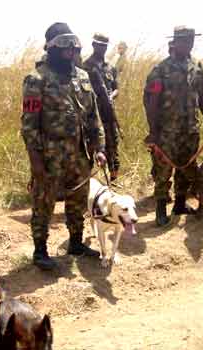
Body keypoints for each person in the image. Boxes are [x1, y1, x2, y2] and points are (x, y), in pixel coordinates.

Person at [21, 23, 107, 270]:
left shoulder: (82, 76)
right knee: (43, 203)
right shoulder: (36, 80)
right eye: (64, 45)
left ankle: (76, 243)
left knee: (78, 200)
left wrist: (99, 147)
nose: (70, 50)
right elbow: (29, 125)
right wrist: (35, 161)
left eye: (73, 45)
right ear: (52, 47)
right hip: (50, 156)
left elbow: (93, 117)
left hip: (80, 155)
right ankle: (40, 251)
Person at [144, 26, 203, 227]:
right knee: (163, 170)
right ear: (175, 42)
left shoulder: (197, 67)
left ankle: (180, 204)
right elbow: (150, 102)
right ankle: (160, 210)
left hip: (190, 129)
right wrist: (153, 131)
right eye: (183, 40)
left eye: (190, 40)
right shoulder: (161, 70)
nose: (188, 43)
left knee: (186, 167)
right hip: (167, 132)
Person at [83, 33, 121, 181]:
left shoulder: (110, 67)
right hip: (92, 115)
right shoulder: (86, 67)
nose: (102, 48)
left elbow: (116, 88)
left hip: (109, 113)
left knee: (113, 146)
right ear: (93, 45)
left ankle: (113, 179)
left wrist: (110, 97)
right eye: (99, 45)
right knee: (93, 147)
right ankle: (88, 183)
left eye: (104, 46)